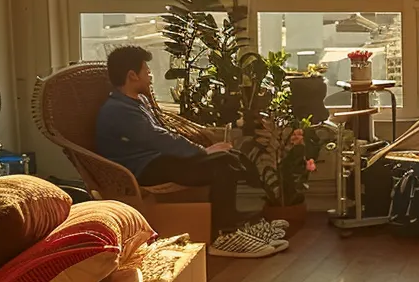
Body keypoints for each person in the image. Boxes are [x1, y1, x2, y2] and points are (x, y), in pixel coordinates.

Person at [95, 46, 287, 258]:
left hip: (157, 161)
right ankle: (225, 236)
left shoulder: (134, 101)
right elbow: (158, 138)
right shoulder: (118, 111)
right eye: (146, 70)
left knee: (227, 158)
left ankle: (236, 225)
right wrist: (202, 152)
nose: (149, 74)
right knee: (221, 164)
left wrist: (204, 152)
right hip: (142, 169)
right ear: (132, 76)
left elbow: (160, 135)